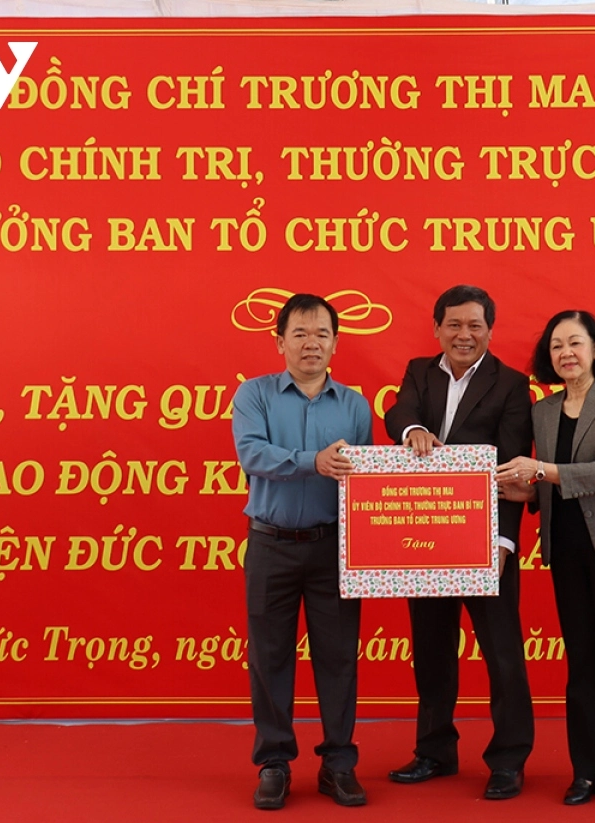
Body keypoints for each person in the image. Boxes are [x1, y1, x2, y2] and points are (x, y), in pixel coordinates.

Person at [496, 310, 595, 808]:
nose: (565, 353)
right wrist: (515, 487)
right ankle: (585, 773)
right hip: (566, 547)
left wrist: (540, 470)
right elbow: (545, 483)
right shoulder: (543, 411)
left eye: (575, 343)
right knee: (580, 661)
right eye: (556, 346)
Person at [384, 284, 535, 800]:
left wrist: (504, 543)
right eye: (454, 324)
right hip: (426, 537)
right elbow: (398, 412)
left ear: (490, 331)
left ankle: (508, 760)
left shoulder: (511, 385)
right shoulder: (418, 371)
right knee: (431, 650)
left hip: (485, 541)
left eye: (474, 325)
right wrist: (412, 429)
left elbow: (513, 468)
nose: (463, 334)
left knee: (503, 655)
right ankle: (434, 751)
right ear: (437, 329)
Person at [232, 293, 374, 810]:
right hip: (271, 544)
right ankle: (274, 762)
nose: (311, 343)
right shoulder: (254, 394)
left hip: (333, 546)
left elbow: (365, 481)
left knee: (338, 658)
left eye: (321, 334)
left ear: (336, 343)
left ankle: (338, 764)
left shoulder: (355, 405)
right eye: (300, 334)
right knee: (269, 657)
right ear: (280, 342)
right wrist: (313, 461)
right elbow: (252, 454)